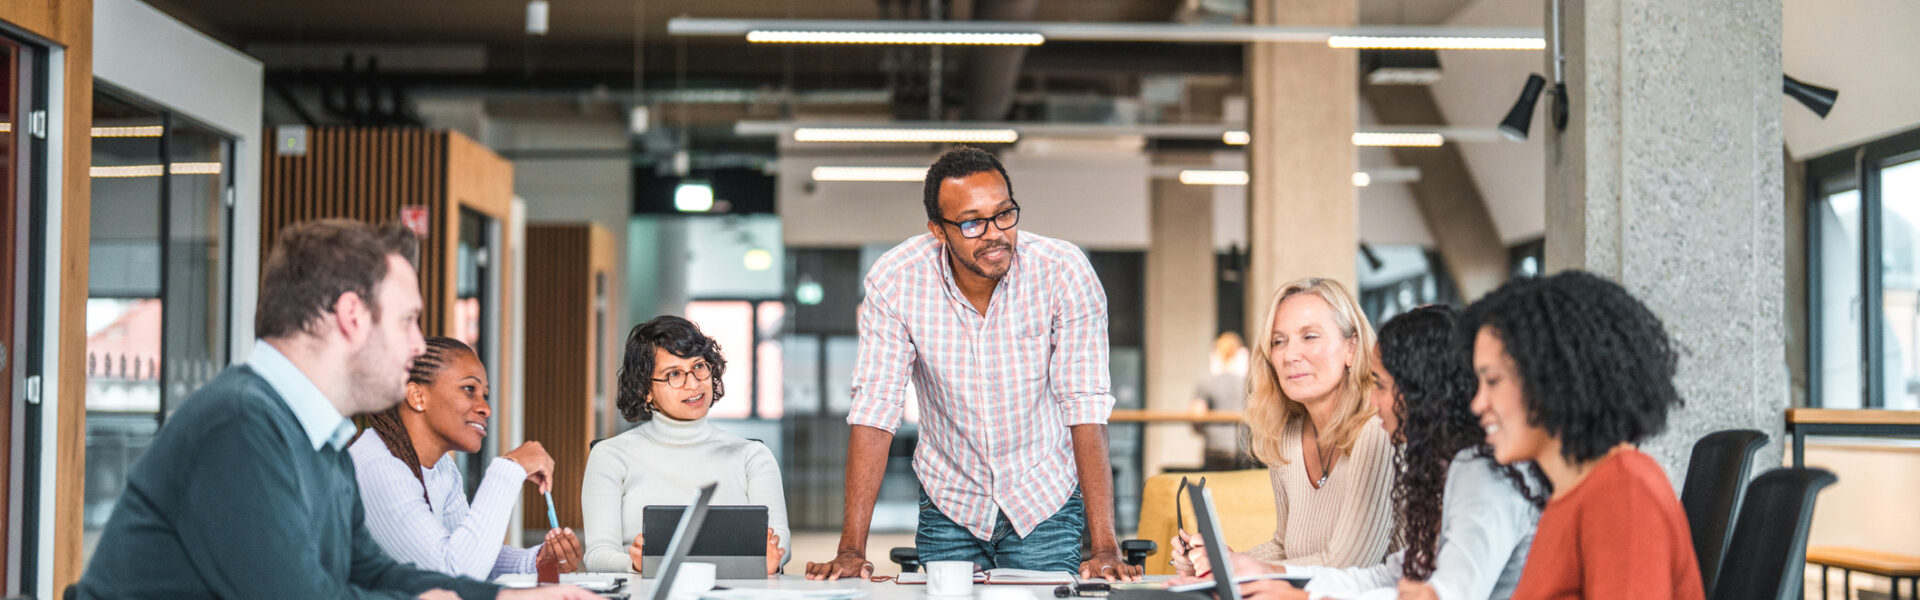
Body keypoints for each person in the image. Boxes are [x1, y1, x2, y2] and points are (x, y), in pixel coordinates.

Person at [73, 219, 590, 599]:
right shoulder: (239, 425)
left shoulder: (322, 441)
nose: (416, 348)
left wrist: (505, 598)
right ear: (350, 316)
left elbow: (370, 571)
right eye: (407, 321)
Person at [806, 146, 1139, 582]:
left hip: (1043, 498)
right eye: (971, 222)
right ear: (938, 230)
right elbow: (875, 411)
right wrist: (851, 548)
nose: (994, 234)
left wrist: (1106, 547)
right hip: (951, 501)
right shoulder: (896, 280)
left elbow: (1085, 407)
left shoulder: (1064, 272)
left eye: (1004, 214)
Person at [1191, 306, 1549, 600]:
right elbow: (1396, 574)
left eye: (1380, 385)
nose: (1374, 403)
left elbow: (1444, 596)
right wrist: (1270, 575)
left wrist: (1302, 596)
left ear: (1421, 394)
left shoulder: (1483, 475)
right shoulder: (1456, 468)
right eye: (1279, 342)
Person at [1459, 271, 1703, 600]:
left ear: (1551, 378)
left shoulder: (1622, 490)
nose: (1478, 404)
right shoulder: (1569, 495)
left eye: (1493, 381)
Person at [1173, 277, 1394, 573]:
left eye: (1310, 336)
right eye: (1279, 341)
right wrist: (1219, 563)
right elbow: (1283, 546)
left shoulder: (1379, 427)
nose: (1290, 355)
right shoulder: (1287, 435)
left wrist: (1239, 568)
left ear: (1351, 347)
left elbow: (1349, 565)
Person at [352, 336, 585, 579]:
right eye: (469, 389)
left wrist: (537, 561)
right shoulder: (379, 469)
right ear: (418, 396)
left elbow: (471, 555)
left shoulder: (442, 467)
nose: (486, 408)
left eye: (484, 395)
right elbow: (454, 574)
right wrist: (508, 469)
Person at [581, 316, 790, 574]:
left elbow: (779, 544)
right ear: (645, 389)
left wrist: (770, 560)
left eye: (699, 367)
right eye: (674, 374)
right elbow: (597, 556)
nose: (694, 384)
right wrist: (633, 563)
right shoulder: (610, 456)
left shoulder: (753, 456)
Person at [1191, 332, 1254, 471]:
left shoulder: (1206, 381)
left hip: (1214, 447)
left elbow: (1196, 418)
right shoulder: (1248, 383)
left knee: (1213, 488)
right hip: (1242, 448)